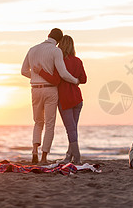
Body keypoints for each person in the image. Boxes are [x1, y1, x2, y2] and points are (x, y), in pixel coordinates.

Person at [21, 28, 80, 164]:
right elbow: (63, 74)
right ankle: (44, 157)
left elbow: (23, 71)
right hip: (50, 90)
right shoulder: (56, 51)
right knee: (49, 124)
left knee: (37, 122)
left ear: (48, 35)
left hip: (35, 89)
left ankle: (34, 151)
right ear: (58, 41)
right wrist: (75, 81)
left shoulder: (32, 49)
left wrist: (35, 76)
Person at [34, 35, 87, 165]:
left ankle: (77, 157)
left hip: (65, 99)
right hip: (77, 98)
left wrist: (40, 72)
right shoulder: (78, 61)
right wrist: (76, 80)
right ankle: (69, 156)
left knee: (71, 129)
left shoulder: (60, 61)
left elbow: (56, 79)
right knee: (73, 129)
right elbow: (84, 79)